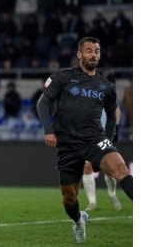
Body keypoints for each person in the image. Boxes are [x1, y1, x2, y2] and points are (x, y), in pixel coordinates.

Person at [36, 36, 133, 243]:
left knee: (121, 170)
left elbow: (112, 114)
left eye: (97, 51)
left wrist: (108, 142)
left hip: (94, 140)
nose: (93, 54)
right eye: (89, 51)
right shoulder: (63, 77)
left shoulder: (106, 86)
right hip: (67, 144)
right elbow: (42, 104)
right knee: (69, 199)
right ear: (79, 54)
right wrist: (48, 131)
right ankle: (79, 221)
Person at [83, 107, 122, 211]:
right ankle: (92, 202)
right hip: (89, 136)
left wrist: (116, 127)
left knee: (108, 169)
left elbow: (116, 109)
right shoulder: (84, 94)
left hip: (105, 135)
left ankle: (112, 194)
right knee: (87, 167)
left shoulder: (104, 92)